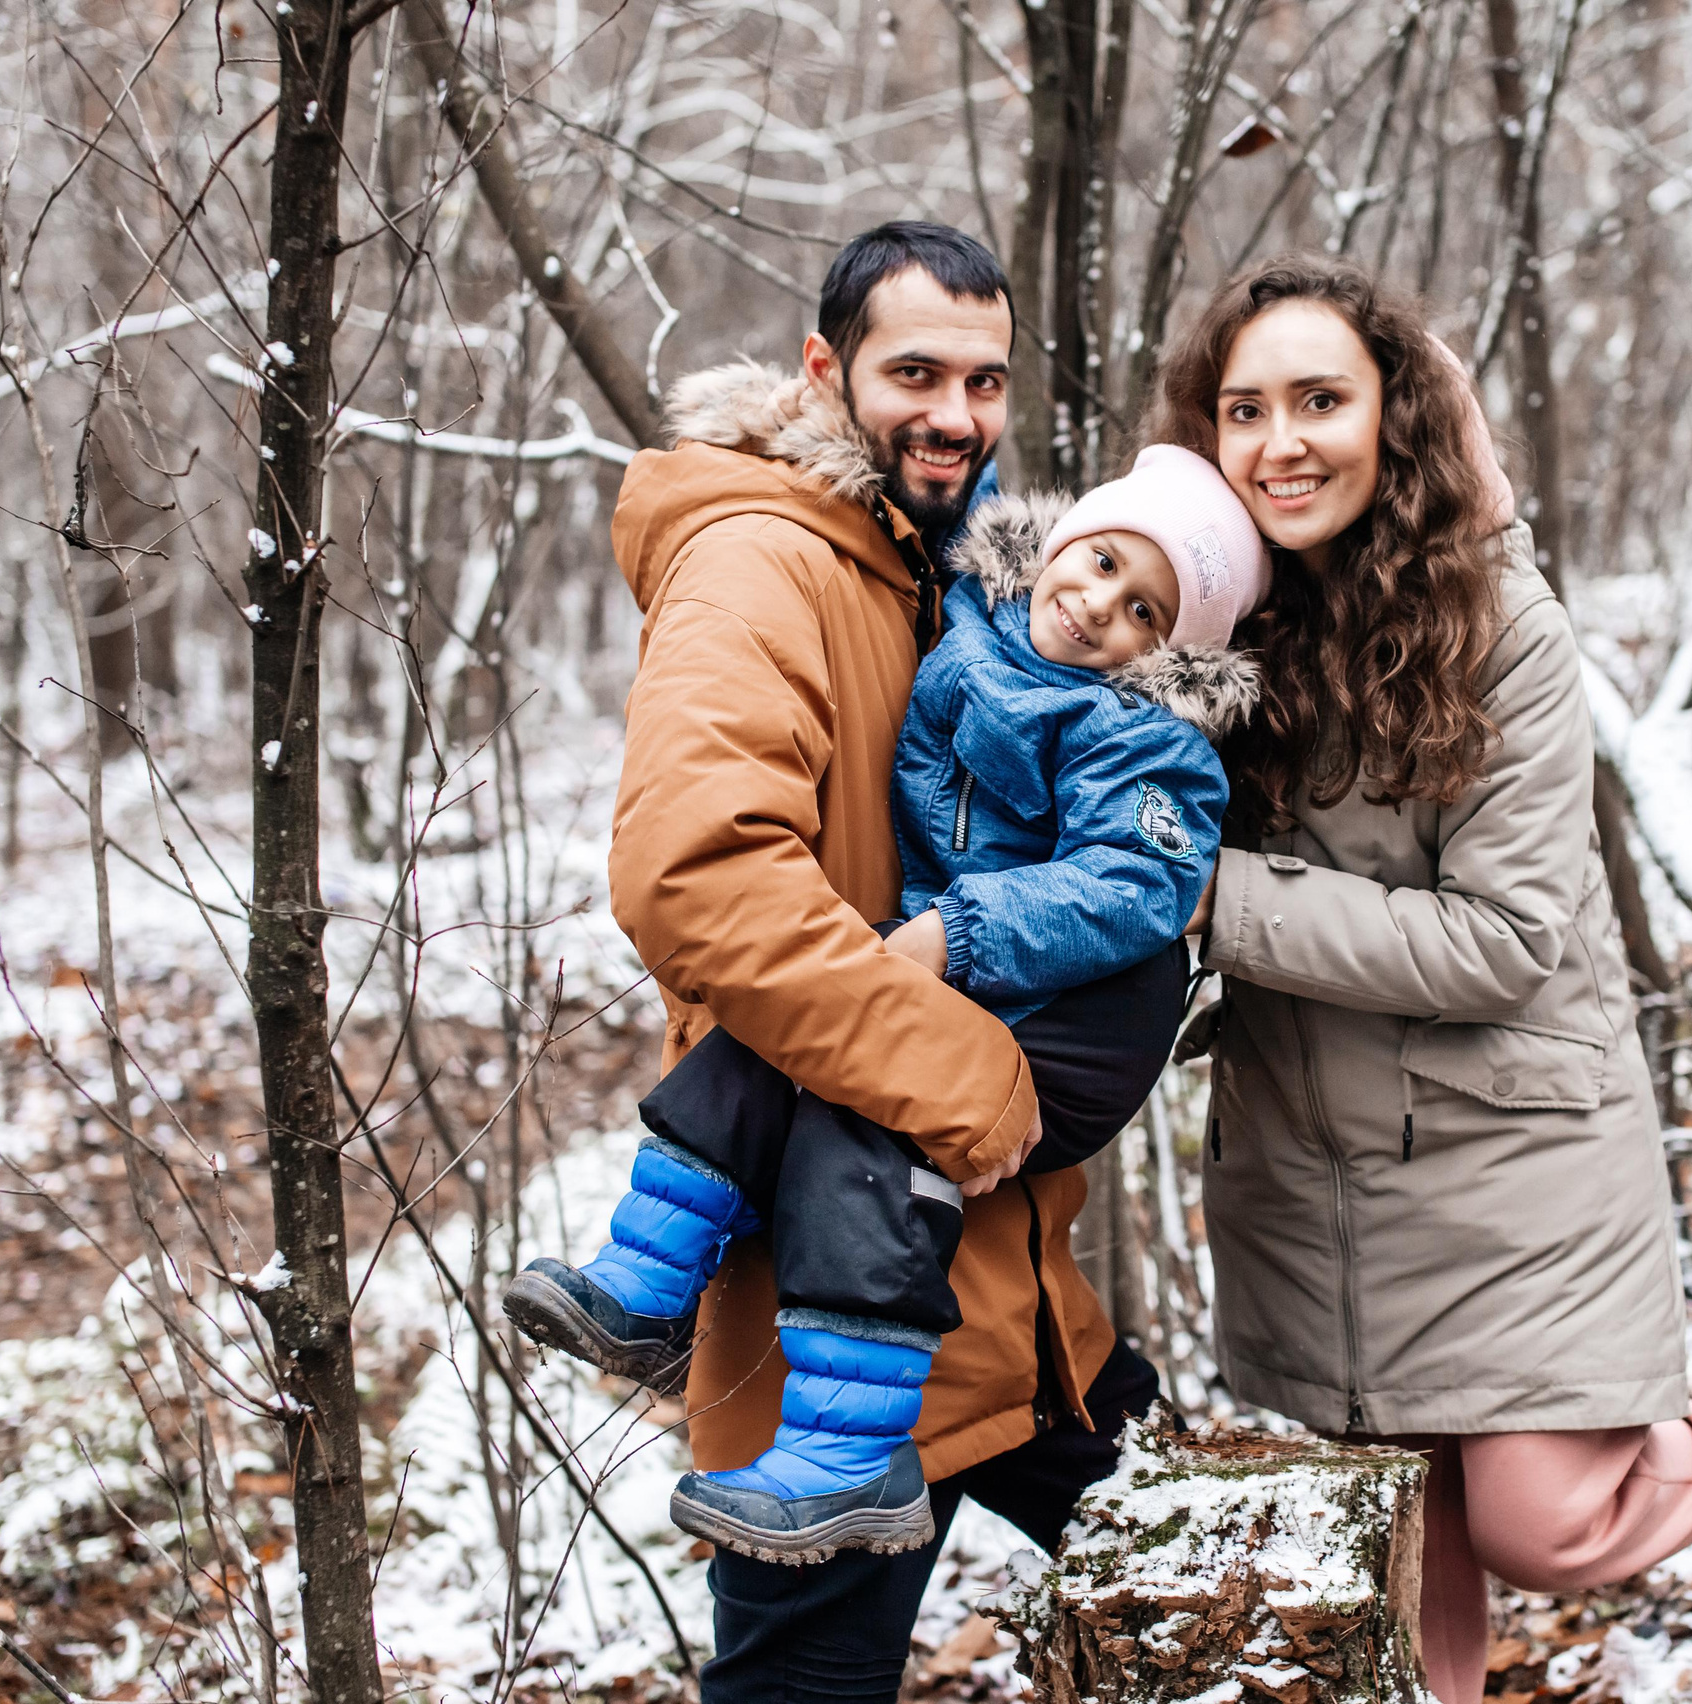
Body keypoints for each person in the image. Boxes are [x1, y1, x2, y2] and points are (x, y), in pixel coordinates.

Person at [1147, 256, 1692, 1697]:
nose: (1282, 443)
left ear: (1391, 413)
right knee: (1402, 1583)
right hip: (1309, 1167)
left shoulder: (1502, 627)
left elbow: (1501, 941)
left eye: (1321, 400)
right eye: (1246, 408)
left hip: (1504, 1148)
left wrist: (1218, 895)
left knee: (1541, 1521)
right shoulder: (1198, 619)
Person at [513, 219, 1153, 1703]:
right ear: (824, 370)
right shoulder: (762, 563)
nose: (955, 414)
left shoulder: (970, 579)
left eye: (985, 381)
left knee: (1216, 1586)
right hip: (826, 1304)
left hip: (999, 1284)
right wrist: (965, 1078)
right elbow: (700, 880)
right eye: (915, 371)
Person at [505, 444, 1266, 1565]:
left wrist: (954, 934)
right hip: (964, 966)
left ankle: (847, 1460)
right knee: (795, 1023)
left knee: (869, 1112)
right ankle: (648, 1278)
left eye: (1145, 609)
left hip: (1070, 1025)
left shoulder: (1143, 737)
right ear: (1058, 540)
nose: (1099, 603)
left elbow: (1131, 887)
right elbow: (941, 507)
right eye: (1099, 559)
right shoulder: (979, 620)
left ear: (1170, 651)